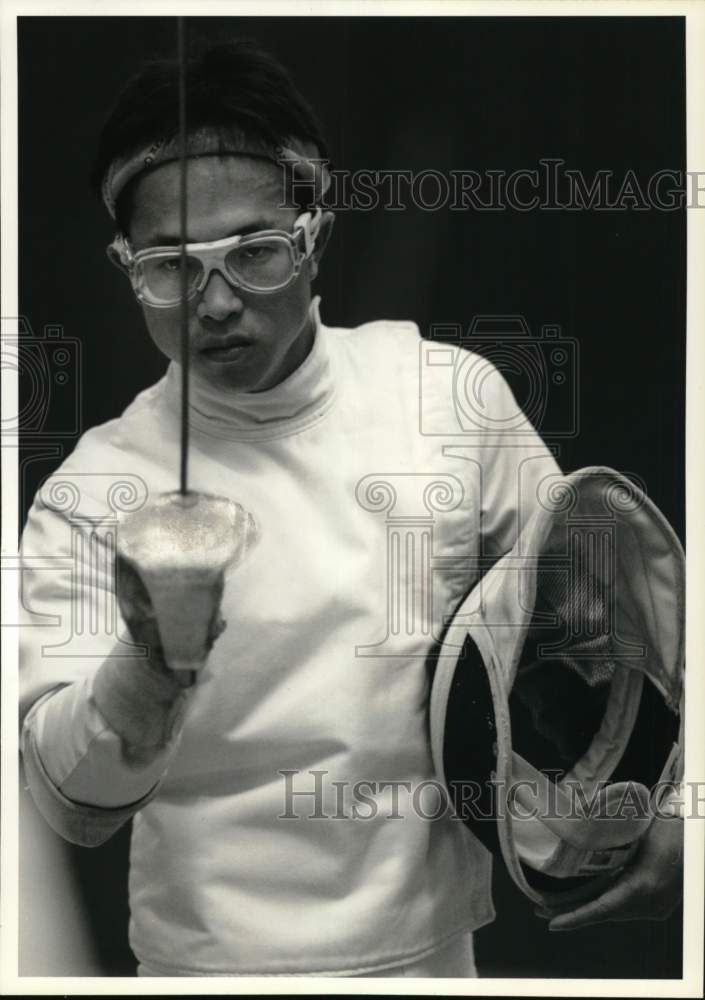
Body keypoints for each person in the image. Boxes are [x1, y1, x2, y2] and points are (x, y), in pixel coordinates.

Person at [18, 40, 683, 978]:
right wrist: (147, 666)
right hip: (202, 968)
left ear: (312, 234)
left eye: (253, 253)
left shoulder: (447, 399)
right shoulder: (97, 488)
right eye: (170, 267)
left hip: (431, 957)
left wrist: (670, 799)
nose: (213, 304)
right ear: (126, 266)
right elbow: (65, 800)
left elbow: (611, 626)